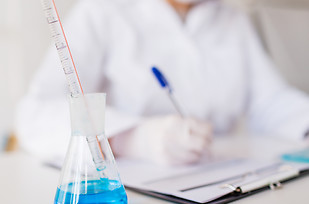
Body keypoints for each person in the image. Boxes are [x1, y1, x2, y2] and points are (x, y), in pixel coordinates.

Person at [16, 0, 309, 165]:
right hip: (131, 201)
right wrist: (133, 138)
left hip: (219, 188)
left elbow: (271, 101)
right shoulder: (101, 10)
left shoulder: (233, 17)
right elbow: (36, 115)